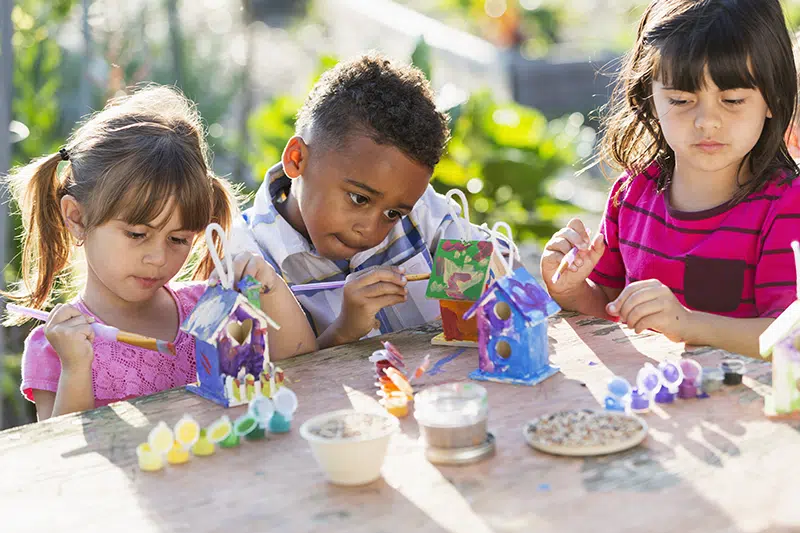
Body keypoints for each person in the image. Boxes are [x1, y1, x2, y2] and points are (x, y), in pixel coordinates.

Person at [5, 86, 316, 420]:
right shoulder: (56, 345)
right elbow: (57, 458)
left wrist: (270, 284)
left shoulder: (208, 306)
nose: (157, 258)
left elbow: (303, 365)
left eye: (178, 239)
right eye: (138, 234)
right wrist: (77, 368)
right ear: (77, 219)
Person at [541, 0, 800, 358]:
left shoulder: (787, 206)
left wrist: (687, 324)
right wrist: (570, 289)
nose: (706, 121)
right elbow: (609, 305)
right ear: (649, 97)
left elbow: (790, 335)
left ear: (773, 98)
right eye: (680, 99)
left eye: (733, 100)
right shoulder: (630, 196)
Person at [232, 53, 501, 348]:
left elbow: (495, 299)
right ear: (297, 159)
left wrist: (482, 287)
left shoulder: (424, 213)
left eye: (392, 214)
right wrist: (343, 332)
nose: (370, 230)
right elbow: (265, 381)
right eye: (359, 198)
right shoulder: (248, 260)